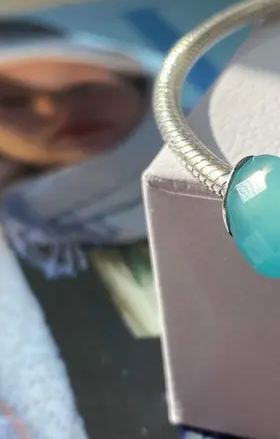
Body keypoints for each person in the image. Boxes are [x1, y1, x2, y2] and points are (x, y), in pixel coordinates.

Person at [0, 19, 164, 277]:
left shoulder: (229, 155)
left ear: (138, 85)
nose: (54, 108)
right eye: (11, 101)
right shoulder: (13, 257)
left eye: (84, 87)